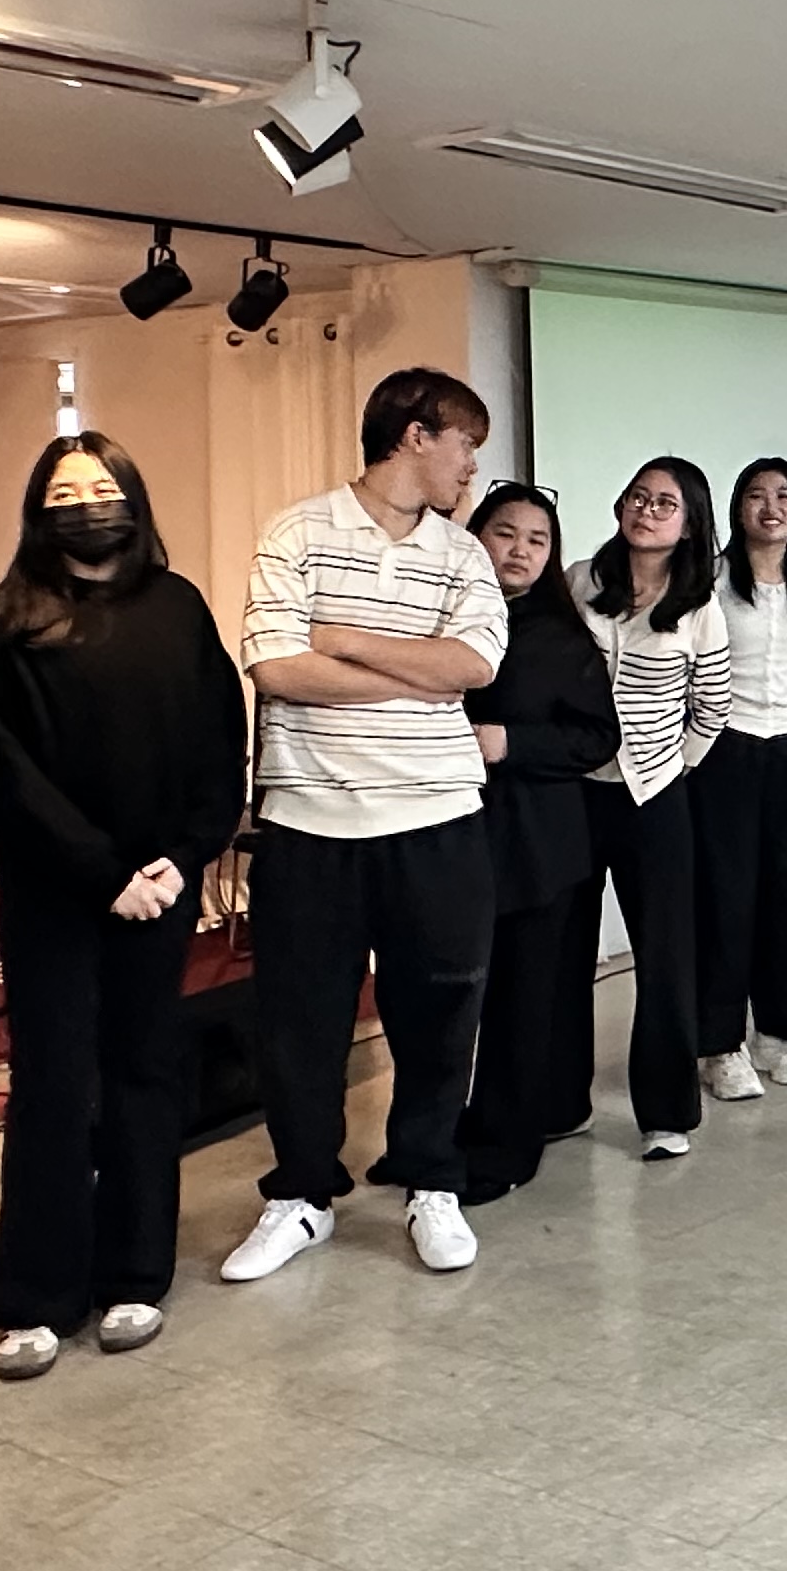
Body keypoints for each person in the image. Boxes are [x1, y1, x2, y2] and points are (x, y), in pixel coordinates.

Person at [0, 432, 248, 1380]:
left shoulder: (178, 606)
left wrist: (181, 858)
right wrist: (102, 873)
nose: (86, 505)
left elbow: (219, 742)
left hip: (160, 885)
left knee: (144, 1071)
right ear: (39, 514)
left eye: (102, 487)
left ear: (133, 500)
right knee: (52, 1082)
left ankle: (135, 1274)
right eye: (64, 493)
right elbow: (8, 769)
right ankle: (35, 1294)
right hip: (55, 888)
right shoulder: (7, 618)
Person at [227, 366, 510, 1280]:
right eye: (465, 445)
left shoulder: (462, 555)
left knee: (438, 1015)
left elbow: (472, 666)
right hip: (310, 822)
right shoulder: (298, 532)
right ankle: (301, 1196)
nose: (471, 468)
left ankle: (432, 1180)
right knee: (300, 1024)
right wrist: (417, 675)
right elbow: (277, 667)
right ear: (416, 434)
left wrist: (344, 640)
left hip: (437, 818)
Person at [576, 456, 737, 1150]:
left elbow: (714, 709)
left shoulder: (699, 608)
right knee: (564, 955)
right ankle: (560, 1101)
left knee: (665, 957)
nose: (646, 511)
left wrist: (670, 768)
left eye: (665, 504)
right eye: (638, 497)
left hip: (654, 797)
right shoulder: (581, 581)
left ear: (690, 524)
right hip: (576, 792)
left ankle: (666, 1115)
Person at [462, 483, 617, 1204]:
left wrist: (511, 743)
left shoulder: (560, 635)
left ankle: (508, 1148)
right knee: (463, 999)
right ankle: (453, 1129)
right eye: (505, 533)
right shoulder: (450, 619)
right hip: (455, 839)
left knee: (524, 1001)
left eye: (537, 540)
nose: (519, 551)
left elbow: (596, 738)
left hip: (537, 847)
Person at [696, 456, 787, 1088]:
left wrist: (785, 723)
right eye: (756, 495)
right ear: (738, 508)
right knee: (724, 893)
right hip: (723, 745)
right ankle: (719, 1045)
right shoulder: (711, 579)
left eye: (785, 496)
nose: (771, 507)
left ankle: (779, 1034)